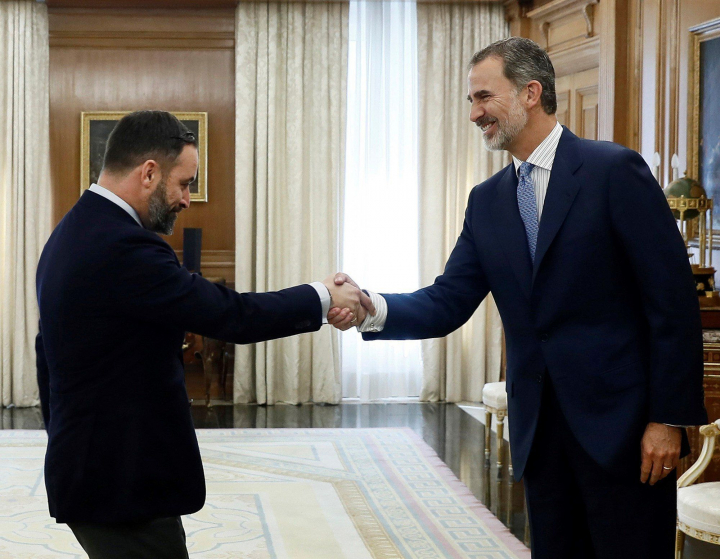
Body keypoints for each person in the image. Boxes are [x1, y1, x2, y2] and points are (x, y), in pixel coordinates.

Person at [331, 37, 707, 558]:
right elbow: (447, 300)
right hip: (539, 437)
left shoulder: (613, 171)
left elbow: (672, 305)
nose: (474, 114)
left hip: (625, 433)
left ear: (531, 93)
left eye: (484, 97)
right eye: (471, 100)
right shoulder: (486, 202)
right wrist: (371, 307)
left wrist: (668, 420)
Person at [35, 110, 370, 558]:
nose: (187, 200)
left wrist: (66, 440)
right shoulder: (122, 246)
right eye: (185, 183)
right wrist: (324, 297)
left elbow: (45, 354)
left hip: (96, 471)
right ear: (149, 173)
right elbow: (233, 316)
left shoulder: (74, 230)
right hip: (119, 484)